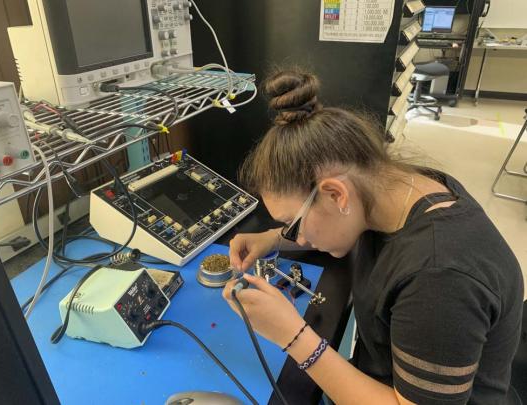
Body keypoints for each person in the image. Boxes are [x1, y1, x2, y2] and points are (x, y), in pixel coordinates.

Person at [222, 68, 524, 405]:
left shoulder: (440, 277)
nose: (299, 238)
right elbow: (339, 222)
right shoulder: (397, 188)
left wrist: (293, 336)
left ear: (336, 195)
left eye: (294, 224)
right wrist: (274, 238)